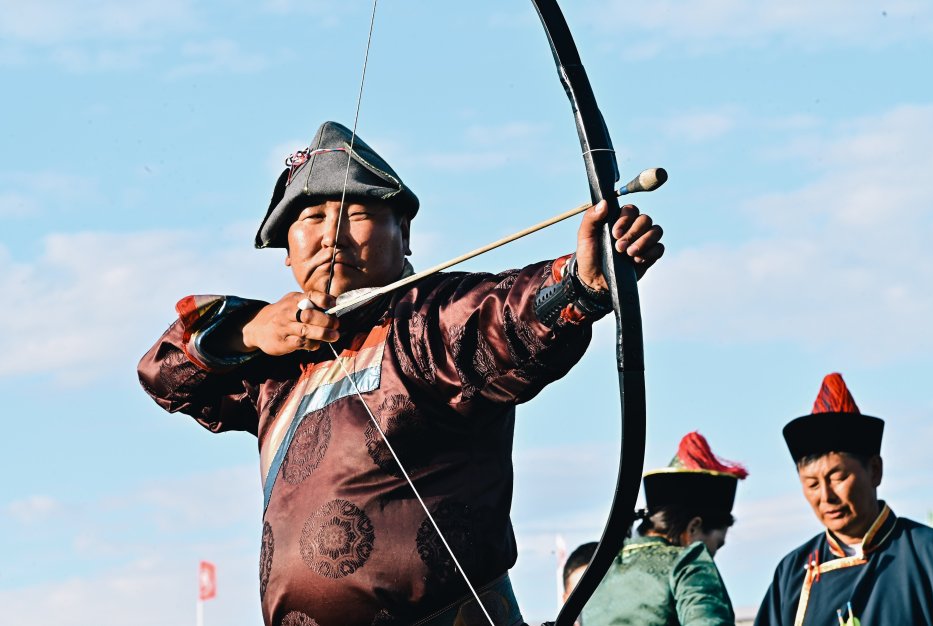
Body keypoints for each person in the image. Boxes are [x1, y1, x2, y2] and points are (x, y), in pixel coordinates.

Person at [137, 121, 665, 626]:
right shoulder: (273, 367)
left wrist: (581, 285)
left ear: (404, 233)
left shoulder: (428, 318)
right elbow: (164, 374)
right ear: (286, 251)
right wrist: (245, 333)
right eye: (311, 218)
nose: (331, 236)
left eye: (356, 213)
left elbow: (508, 317)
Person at [754, 373, 933, 626]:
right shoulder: (792, 572)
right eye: (812, 484)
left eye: (837, 478)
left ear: (874, 470)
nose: (826, 497)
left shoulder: (930, 553)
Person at [581, 432, 747, 626]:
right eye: (716, 546)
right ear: (693, 527)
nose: (712, 556)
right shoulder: (689, 564)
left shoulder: (603, 568)